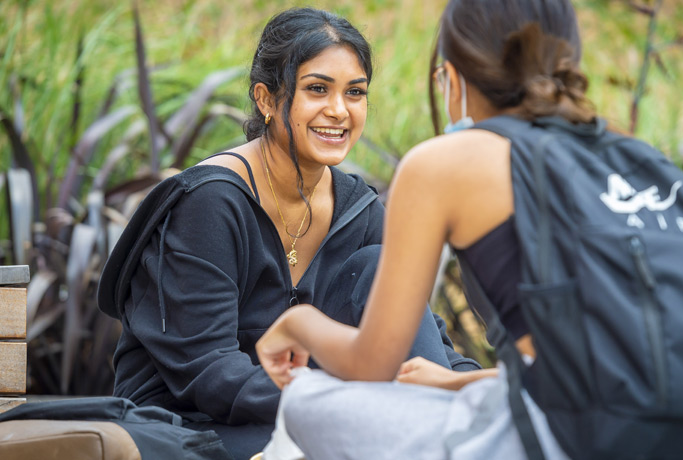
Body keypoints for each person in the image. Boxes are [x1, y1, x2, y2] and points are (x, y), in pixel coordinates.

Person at [254, 1, 683, 460]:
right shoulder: (636, 157)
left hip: (587, 440)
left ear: (452, 77)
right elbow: (627, 368)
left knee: (307, 402)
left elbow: (372, 360)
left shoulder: (446, 161)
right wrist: (456, 384)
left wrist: (298, 326)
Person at [97, 8, 478, 460]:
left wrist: (471, 393)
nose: (339, 111)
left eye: (355, 93)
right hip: (193, 425)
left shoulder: (357, 208)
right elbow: (209, 372)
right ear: (266, 98)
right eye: (318, 89)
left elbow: (416, 330)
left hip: (310, 409)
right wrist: (345, 405)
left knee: (378, 269)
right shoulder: (211, 203)